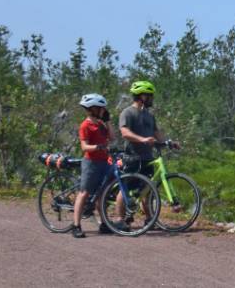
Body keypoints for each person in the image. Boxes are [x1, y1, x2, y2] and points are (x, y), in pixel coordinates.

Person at [115, 80, 179, 224]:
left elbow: (157, 133)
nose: (152, 99)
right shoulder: (128, 112)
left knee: (147, 190)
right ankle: (119, 220)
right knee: (125, 188)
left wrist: (169, 143)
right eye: (150, 95)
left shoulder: (149, 115)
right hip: (132, 157)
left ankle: (150, 219)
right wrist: (142, 139)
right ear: (142, 96)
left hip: (147, 157)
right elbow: (124, 132)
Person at [71, 93, 110, 238]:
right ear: (93, 109)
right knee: (84, 193)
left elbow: (111, 137)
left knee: (102, 194)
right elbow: (84, 147)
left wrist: (108, 122)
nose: (103, 111)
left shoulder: (100, 124)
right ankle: (76, 225)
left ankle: (104, 224)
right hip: (91, 163)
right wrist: (98, 147)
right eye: (101, 109)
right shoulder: (85, 125)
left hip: (104, 161)